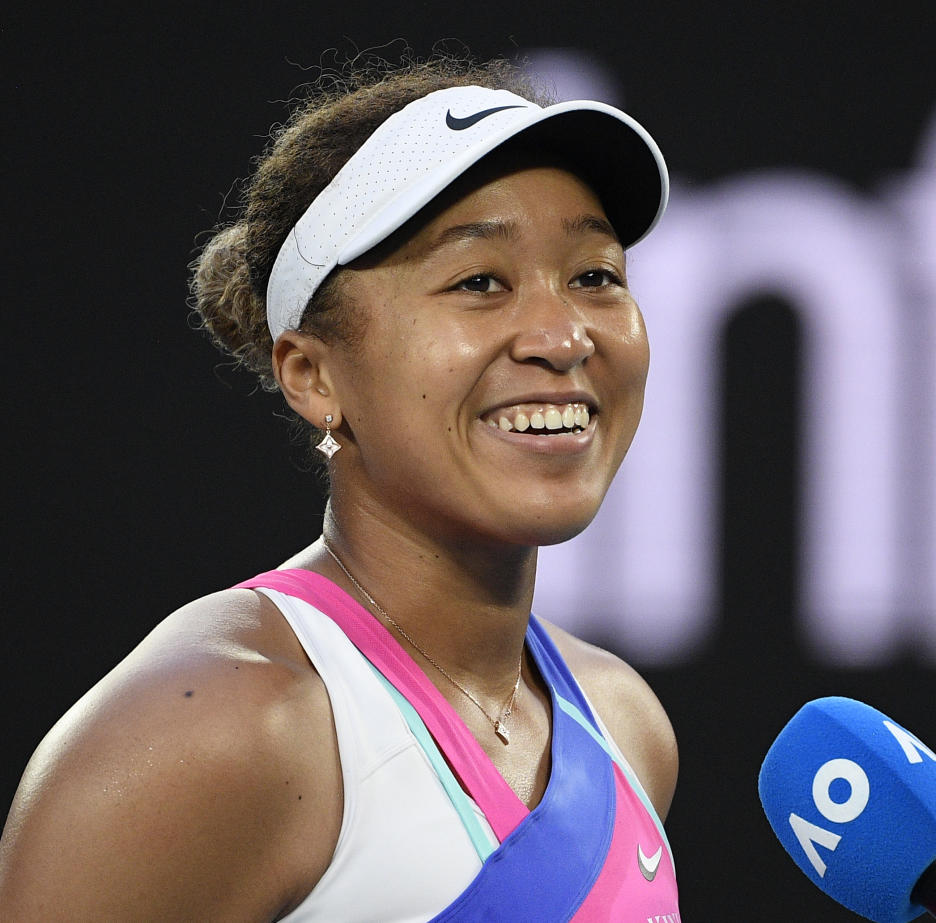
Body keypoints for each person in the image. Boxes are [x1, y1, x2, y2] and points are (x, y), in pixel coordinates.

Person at [0, 56, 679, 921]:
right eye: (479, 282)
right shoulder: (215, 733)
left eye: (595, 275)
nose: (563, 335)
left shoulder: (625, 728)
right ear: (313, 374)